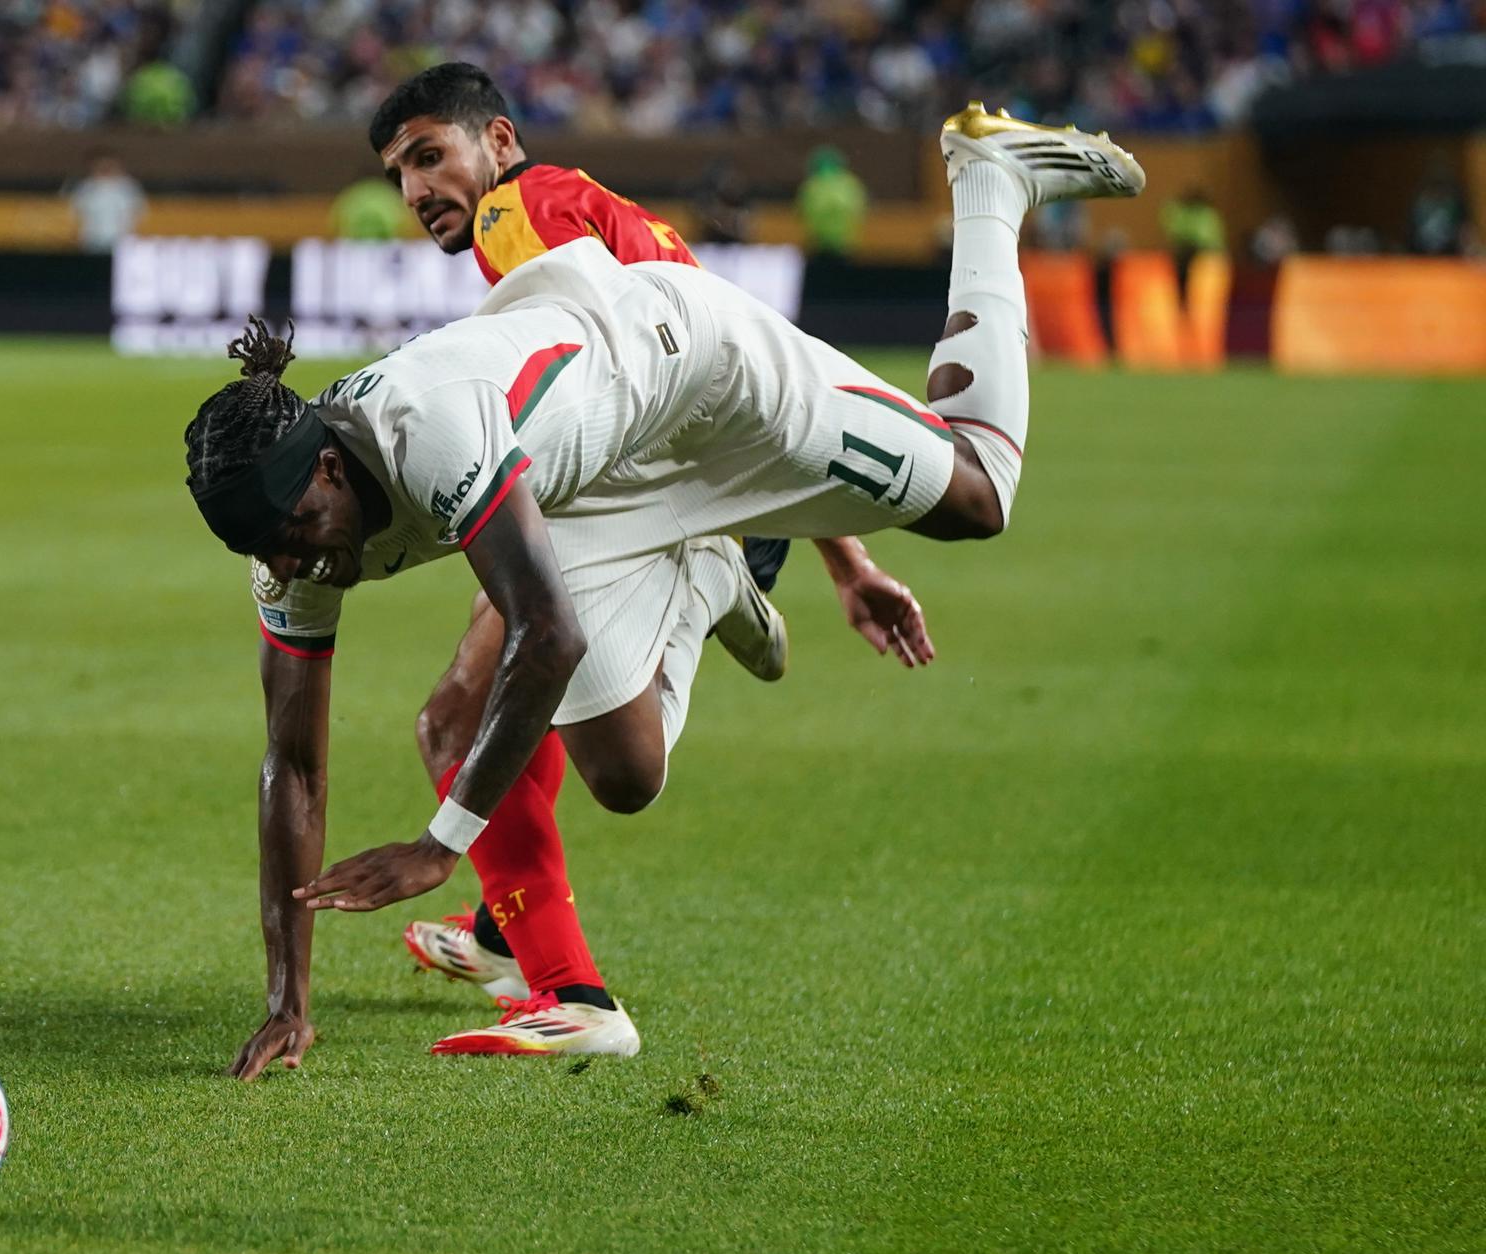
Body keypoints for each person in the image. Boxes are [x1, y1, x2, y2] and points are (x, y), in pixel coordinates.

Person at [186, 104, 1145, 1071]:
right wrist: (287, 1001)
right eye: (270, 553)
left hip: (707, 377)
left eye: (302, 535)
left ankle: (989, 184)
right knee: (627, 775)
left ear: (332, 472)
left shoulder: (430, 430)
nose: (297, 565)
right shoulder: (289, 535)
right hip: (593, 480)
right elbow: (293, 765)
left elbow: (544, 632)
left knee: (977, 494)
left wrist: (441, 843)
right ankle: (714, 569)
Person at [346, 62, 925, 1058]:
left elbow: (619, 377)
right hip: (720, 480)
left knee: (552, 748)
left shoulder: (516, 216)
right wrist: (845, 556)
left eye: (431, 155)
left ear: (501, 142)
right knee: (481, 718)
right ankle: (514, 940)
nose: (415, 191)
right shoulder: (594, 212)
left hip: (660, 505)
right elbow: (748, 365)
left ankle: (569, 987)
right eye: (401, 170)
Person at [68, 150, 147, 254]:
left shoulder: (129, 188)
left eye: (110, 165)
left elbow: (139, 213)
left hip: (122, 242)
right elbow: (75, 214)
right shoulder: (85, 188)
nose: (106, 169)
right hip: (92, 242)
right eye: (101, 166)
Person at [797, 146, 868, 258]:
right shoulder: (850, 183)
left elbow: (801, 212)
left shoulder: (812, 185)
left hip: (818, 244)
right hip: (846, 243)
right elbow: (861, 209)